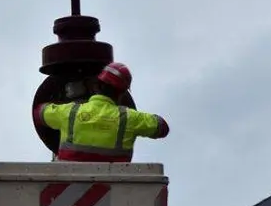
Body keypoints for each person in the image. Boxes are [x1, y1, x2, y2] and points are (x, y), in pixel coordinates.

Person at [33, 62, 169, 162]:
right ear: (122, 94)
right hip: (116, 182)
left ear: (97, 86)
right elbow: (162, 127)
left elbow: (39, 112)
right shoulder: (130, 118)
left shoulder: (70, 112)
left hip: (68, 179)